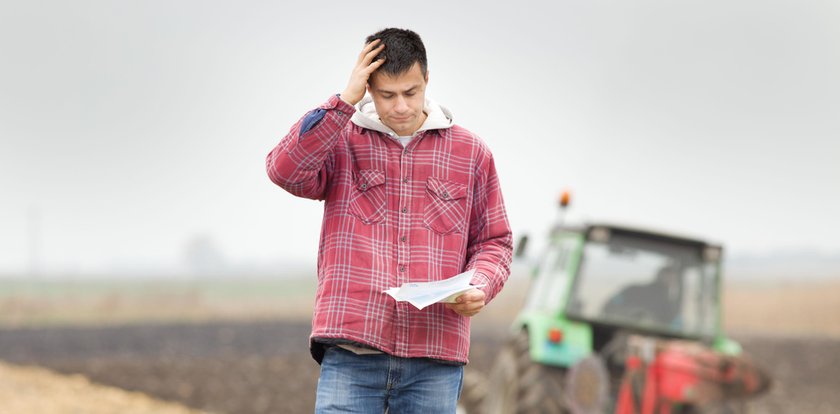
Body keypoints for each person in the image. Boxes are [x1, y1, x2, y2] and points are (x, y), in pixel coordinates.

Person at [265, 28, 512, 413]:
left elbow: (494, 241)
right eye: (387, 94)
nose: (400, 106)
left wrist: (480, 284)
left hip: (434, 359)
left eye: (410, 93)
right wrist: (343, 101)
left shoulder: (471, 152)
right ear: (368, 88)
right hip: (352, 352)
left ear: (427, 81)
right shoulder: (341, 140)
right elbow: (285, 171)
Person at [601, 264, 684, 327]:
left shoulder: (669, 305)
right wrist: (631, 313)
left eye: (673, 279)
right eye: (668, 277)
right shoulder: (633, 290)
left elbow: (673, 326)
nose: (669, 281)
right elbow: (609, 306)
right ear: (659, 275)